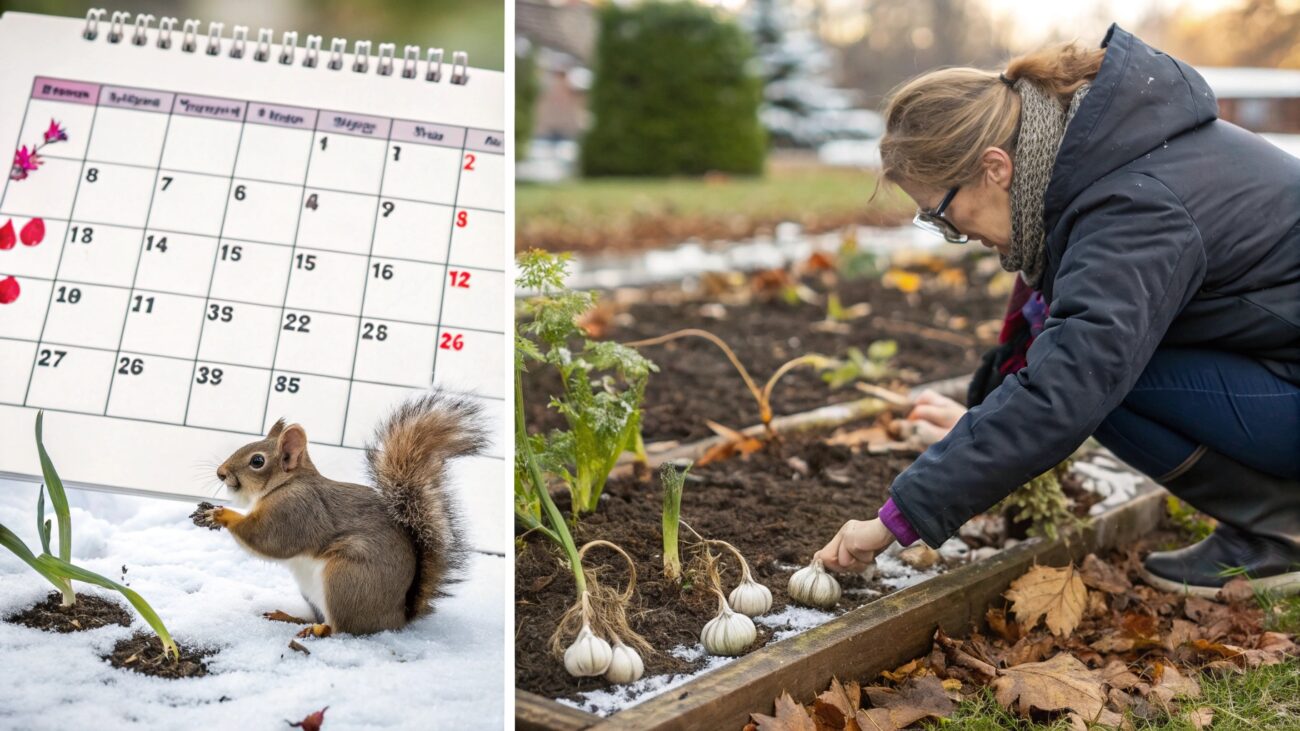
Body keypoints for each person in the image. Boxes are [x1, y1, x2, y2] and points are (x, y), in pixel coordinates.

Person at [815, 24, 1300, 597]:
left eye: (942, 213)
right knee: (1103, 363)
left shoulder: (1135, 204)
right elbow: (1056, 327)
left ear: (995, 168)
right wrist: (979, 419)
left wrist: (900, 516)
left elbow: (1069, 379)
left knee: (1105, 381)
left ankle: (1283, 530)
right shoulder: (1102, 163)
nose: (956, 234)